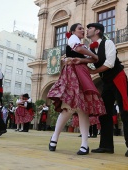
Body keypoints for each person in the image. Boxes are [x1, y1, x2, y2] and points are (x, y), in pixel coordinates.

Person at [47, 23, 106, 155]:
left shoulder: (83, 45)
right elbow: (81, 51)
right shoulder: (73, 39)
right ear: (73, 31)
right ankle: (55, 137)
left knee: (83, 108)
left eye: (83, 29)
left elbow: (90, 59)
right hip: (72, 72)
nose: (83, 31)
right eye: (80, 29)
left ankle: (85, 144)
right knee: (68, 107)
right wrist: (94, 56)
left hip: (82, 73)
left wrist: (87, 59)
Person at [85, 23, 128, 157]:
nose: (87, 30)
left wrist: (94, 71)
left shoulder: (108, 43)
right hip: (107, 81)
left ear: (97, 31)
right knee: (104, 113)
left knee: (126, 110)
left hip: (118, 77)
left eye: (89, 28)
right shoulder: (90, 49)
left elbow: (110, 63)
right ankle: (106, 146)